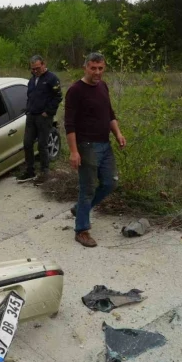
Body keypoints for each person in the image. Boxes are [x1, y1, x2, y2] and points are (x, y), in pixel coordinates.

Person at [64, 52, 126, 247]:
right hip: (87, 146)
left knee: (110, 183)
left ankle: (81, 208)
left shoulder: (103, 86)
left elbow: (109, 114)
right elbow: (69, 124)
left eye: (100, 68)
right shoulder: (75, 90)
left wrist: (118, 134)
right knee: (88, 188)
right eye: (93, 68)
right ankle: (81, 230)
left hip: (105, 144)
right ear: (85, 68)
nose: (97, 72)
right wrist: (74, 152)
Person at [16, 55, 62, 183]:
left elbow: (58, 97)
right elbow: (31, 96)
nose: (35, 71)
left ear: (43, 64)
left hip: (44, 117)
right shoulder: (32, 80)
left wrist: (48, 112)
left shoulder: (51, 78)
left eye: (37, 68)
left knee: (42, 145)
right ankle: (30, 171)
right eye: (33, 69)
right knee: (27, 143)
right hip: (31, 115)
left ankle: (44, 171)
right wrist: (28, 109)